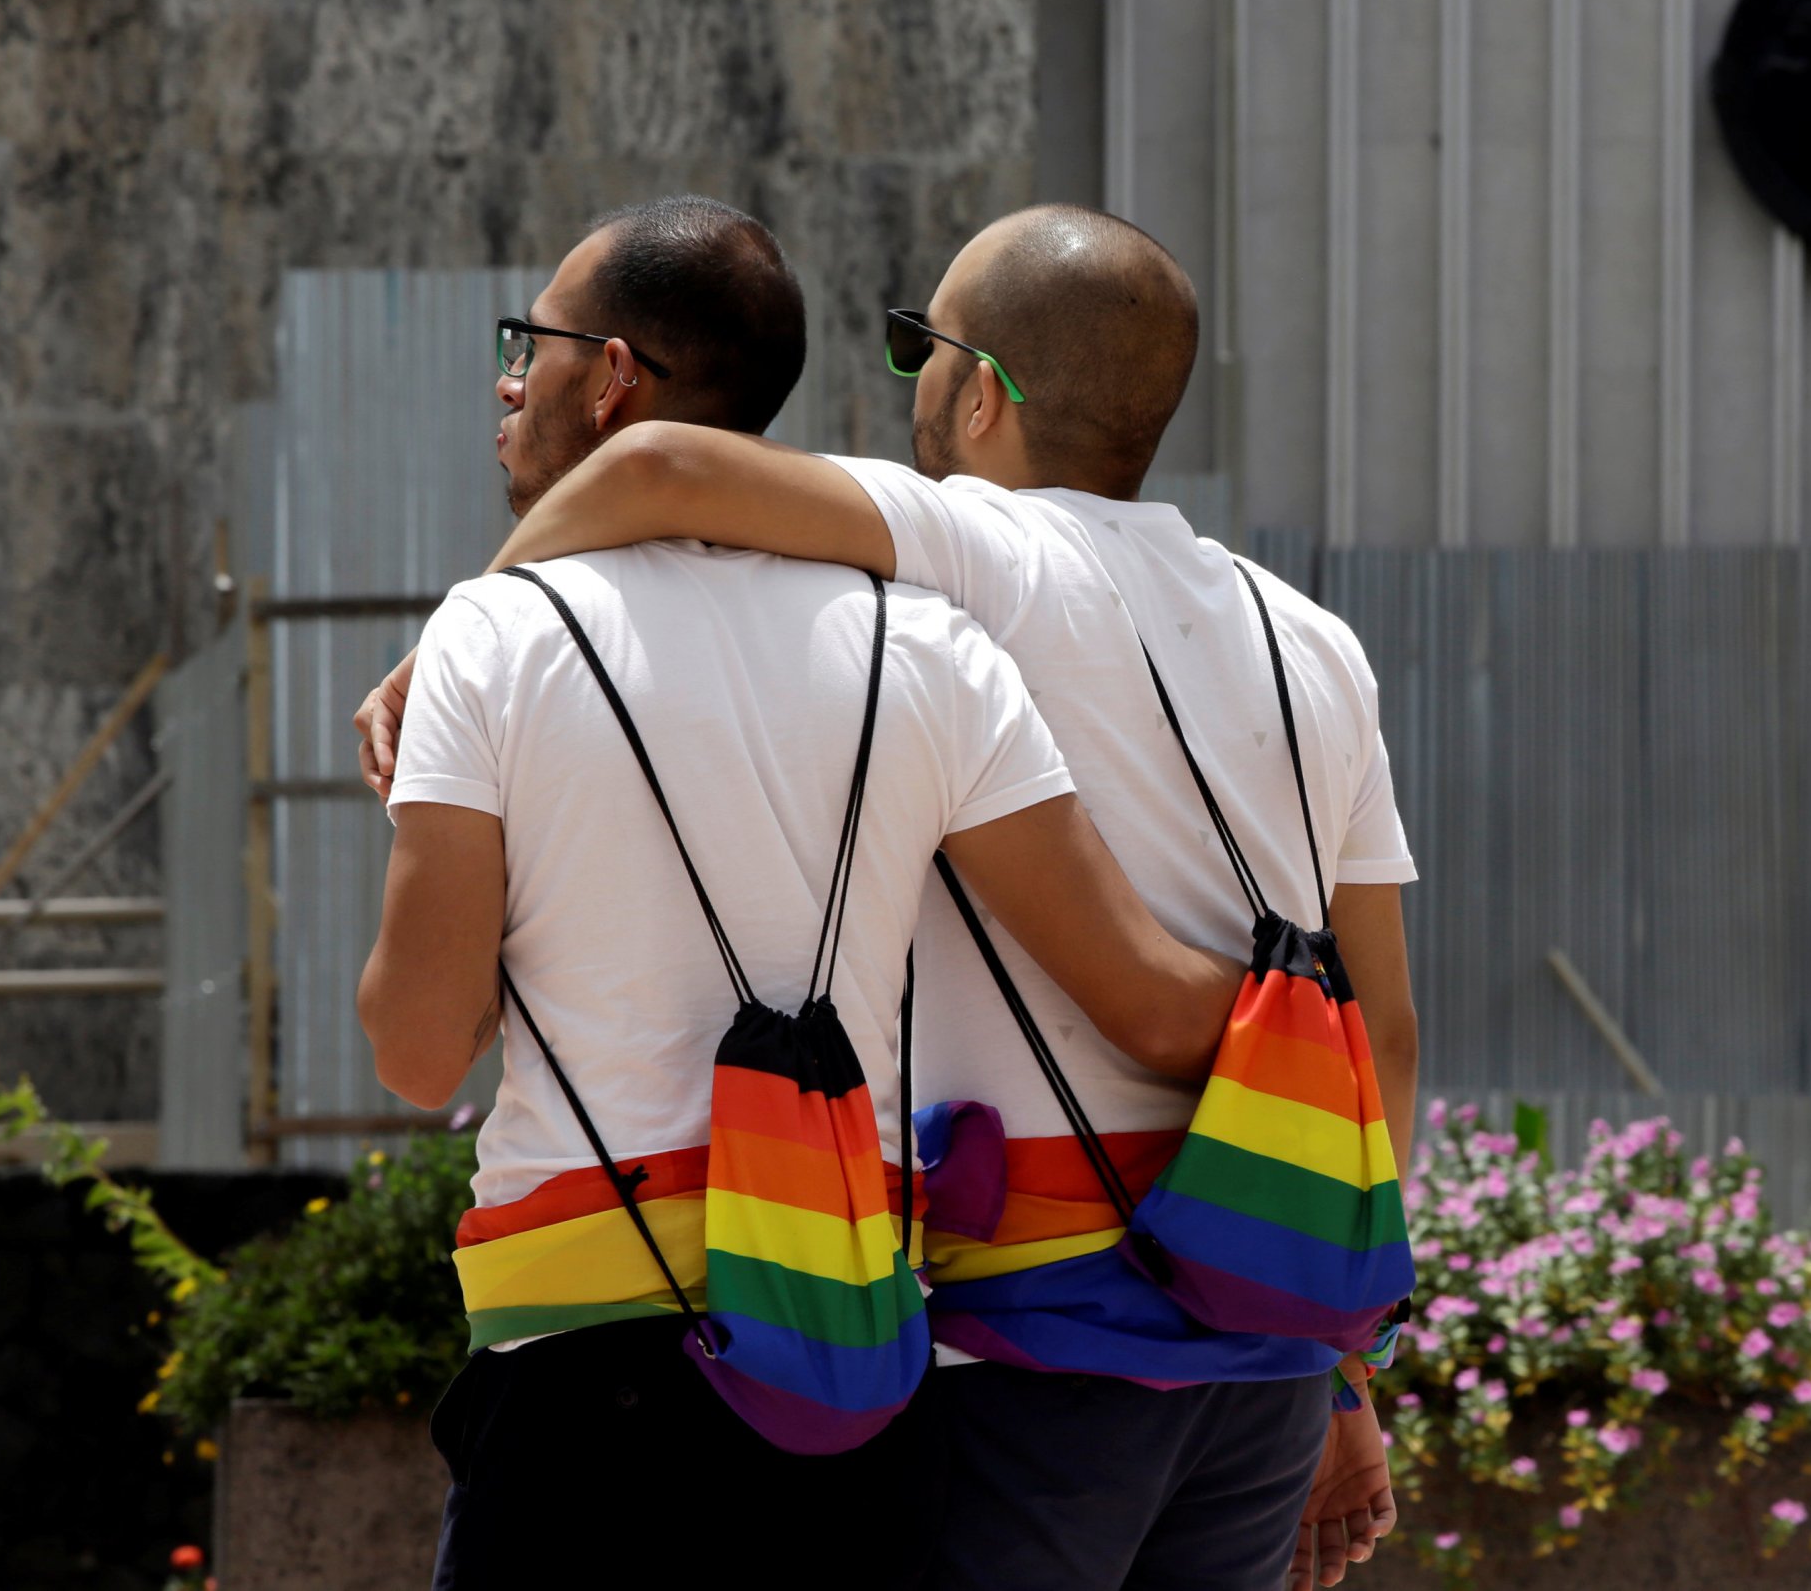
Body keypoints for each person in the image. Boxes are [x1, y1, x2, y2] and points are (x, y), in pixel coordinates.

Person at [358, 205, 1422, 1591]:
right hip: (1265, 1365)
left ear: (984, 392)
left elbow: (670, 463)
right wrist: (1344, 1368)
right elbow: (1382, 1041)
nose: (907, 381)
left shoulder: (977, 562)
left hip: (1028, 1349)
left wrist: (454, 635)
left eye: (918, 346)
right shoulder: (1315, 644)